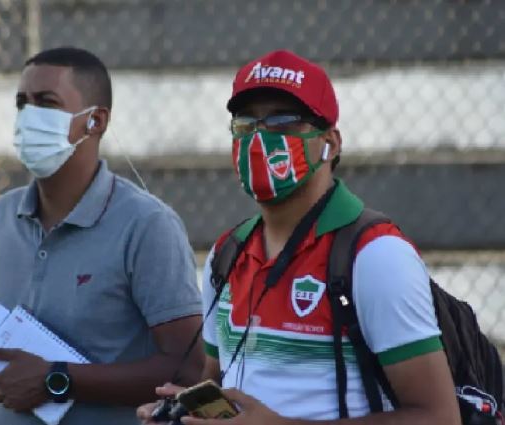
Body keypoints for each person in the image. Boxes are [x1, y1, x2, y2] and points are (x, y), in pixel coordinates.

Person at [137, 49, 461, 425]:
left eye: (283, 122)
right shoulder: (227, 254)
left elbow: (438, 417)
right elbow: (214, 381)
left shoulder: (374, 256)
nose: (260, 139)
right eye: (245, 124)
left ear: (331, 143)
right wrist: (180, 411)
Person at [0, 47, 205, 425]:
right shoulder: (3, 215)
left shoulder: (147, 225)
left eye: (46, 103)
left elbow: (186, 370)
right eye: (22, 103)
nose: (28, 116)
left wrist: (57, 379)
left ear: (95, 121)